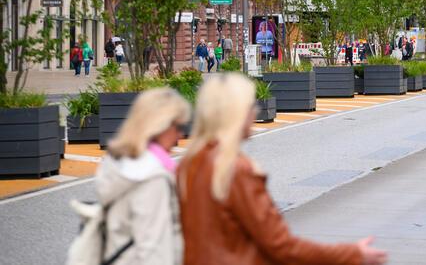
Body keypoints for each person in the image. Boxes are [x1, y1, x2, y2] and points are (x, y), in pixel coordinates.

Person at [177, 74, 388, 265]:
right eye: (251, 106)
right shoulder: (236, 171)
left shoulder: (189, 165)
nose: (255, 112)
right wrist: (351, 254)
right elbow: (280, 246)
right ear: (237, 113)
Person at [95, 88, 190, 264]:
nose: (181, 135)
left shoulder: (116, 162)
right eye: (178, 126)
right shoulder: (154, 176)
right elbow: (153, 247)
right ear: (160, 125)